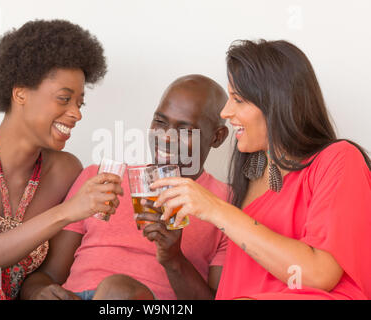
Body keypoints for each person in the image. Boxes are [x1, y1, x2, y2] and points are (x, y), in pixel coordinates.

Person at [152, 40, 371, 300]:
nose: (226, 111)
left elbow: (320, 274)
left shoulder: (338, 159)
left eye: (239, 100)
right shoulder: (249, 176)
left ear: (277, 103)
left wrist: (217, 210)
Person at [0, 20, 123, 300]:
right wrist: (69, 211)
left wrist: (41, 292)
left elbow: (47, 276)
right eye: (64, 99)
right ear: (20, 93)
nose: (77, 114)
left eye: (80, 102)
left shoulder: (65, 170)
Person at [20, 74, 230, 300]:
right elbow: (48, 275)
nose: (166, 138)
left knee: (119, 291)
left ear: (217, 137)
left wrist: (173, 259)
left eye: (185, 129)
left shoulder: (226, 205)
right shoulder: (100, 179)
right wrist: (40, 293)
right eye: (160, 122)